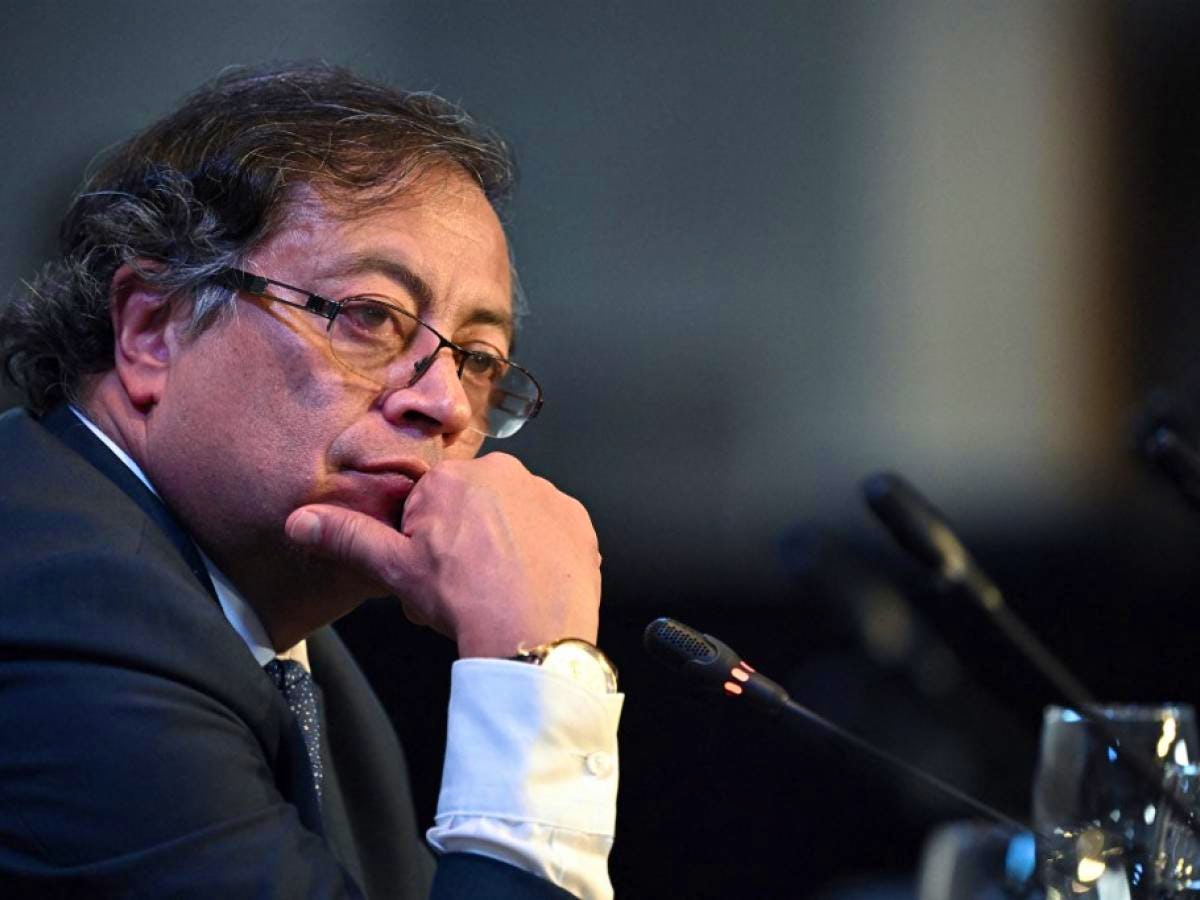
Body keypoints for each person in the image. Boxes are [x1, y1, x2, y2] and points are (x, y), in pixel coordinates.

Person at [0, 63, 621, 899]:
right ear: (152, 329)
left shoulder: (294, 653)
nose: (443, 403)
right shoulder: (65, 606)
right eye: (369, 316)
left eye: (477, 359)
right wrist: (542, 672)